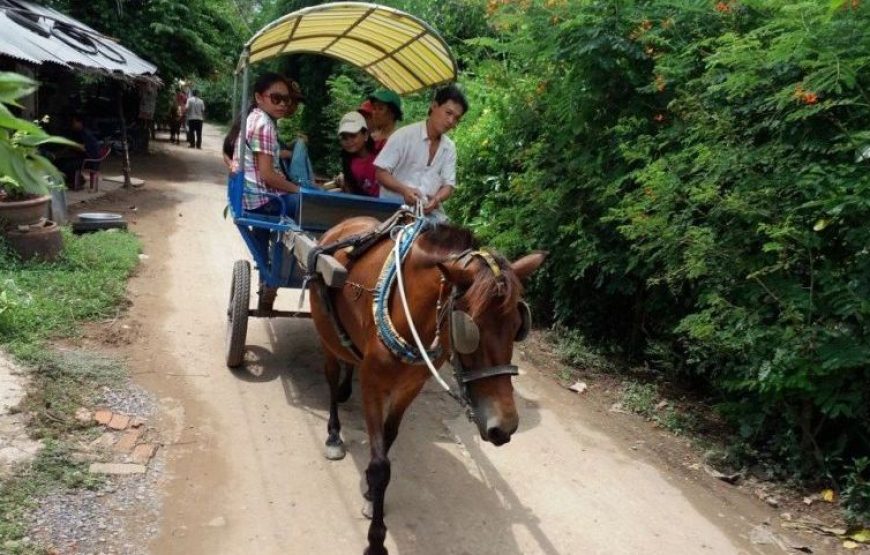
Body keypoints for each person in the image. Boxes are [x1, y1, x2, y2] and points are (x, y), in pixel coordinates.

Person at [374, 84, 468, 220]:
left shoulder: (449, 147)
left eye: (456, 118)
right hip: (394, 211)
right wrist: (404, 190)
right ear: (434, 106)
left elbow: (449, 185)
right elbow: (381, 173)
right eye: (448, 113)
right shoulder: (404, 135)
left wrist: (436, 199)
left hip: (428, 215)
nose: (451, 121)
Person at [336, 111, 379, 197]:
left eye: (353, 136)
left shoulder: (379, 156)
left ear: (366, 135)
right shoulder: (348, 162)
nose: (348, 141)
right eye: (344, 137)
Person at [367, 88, 402, 152]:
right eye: (374, 108)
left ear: (393, 113)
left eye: (380, 108)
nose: (375, 112)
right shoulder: (371, 138)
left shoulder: (400, 138)